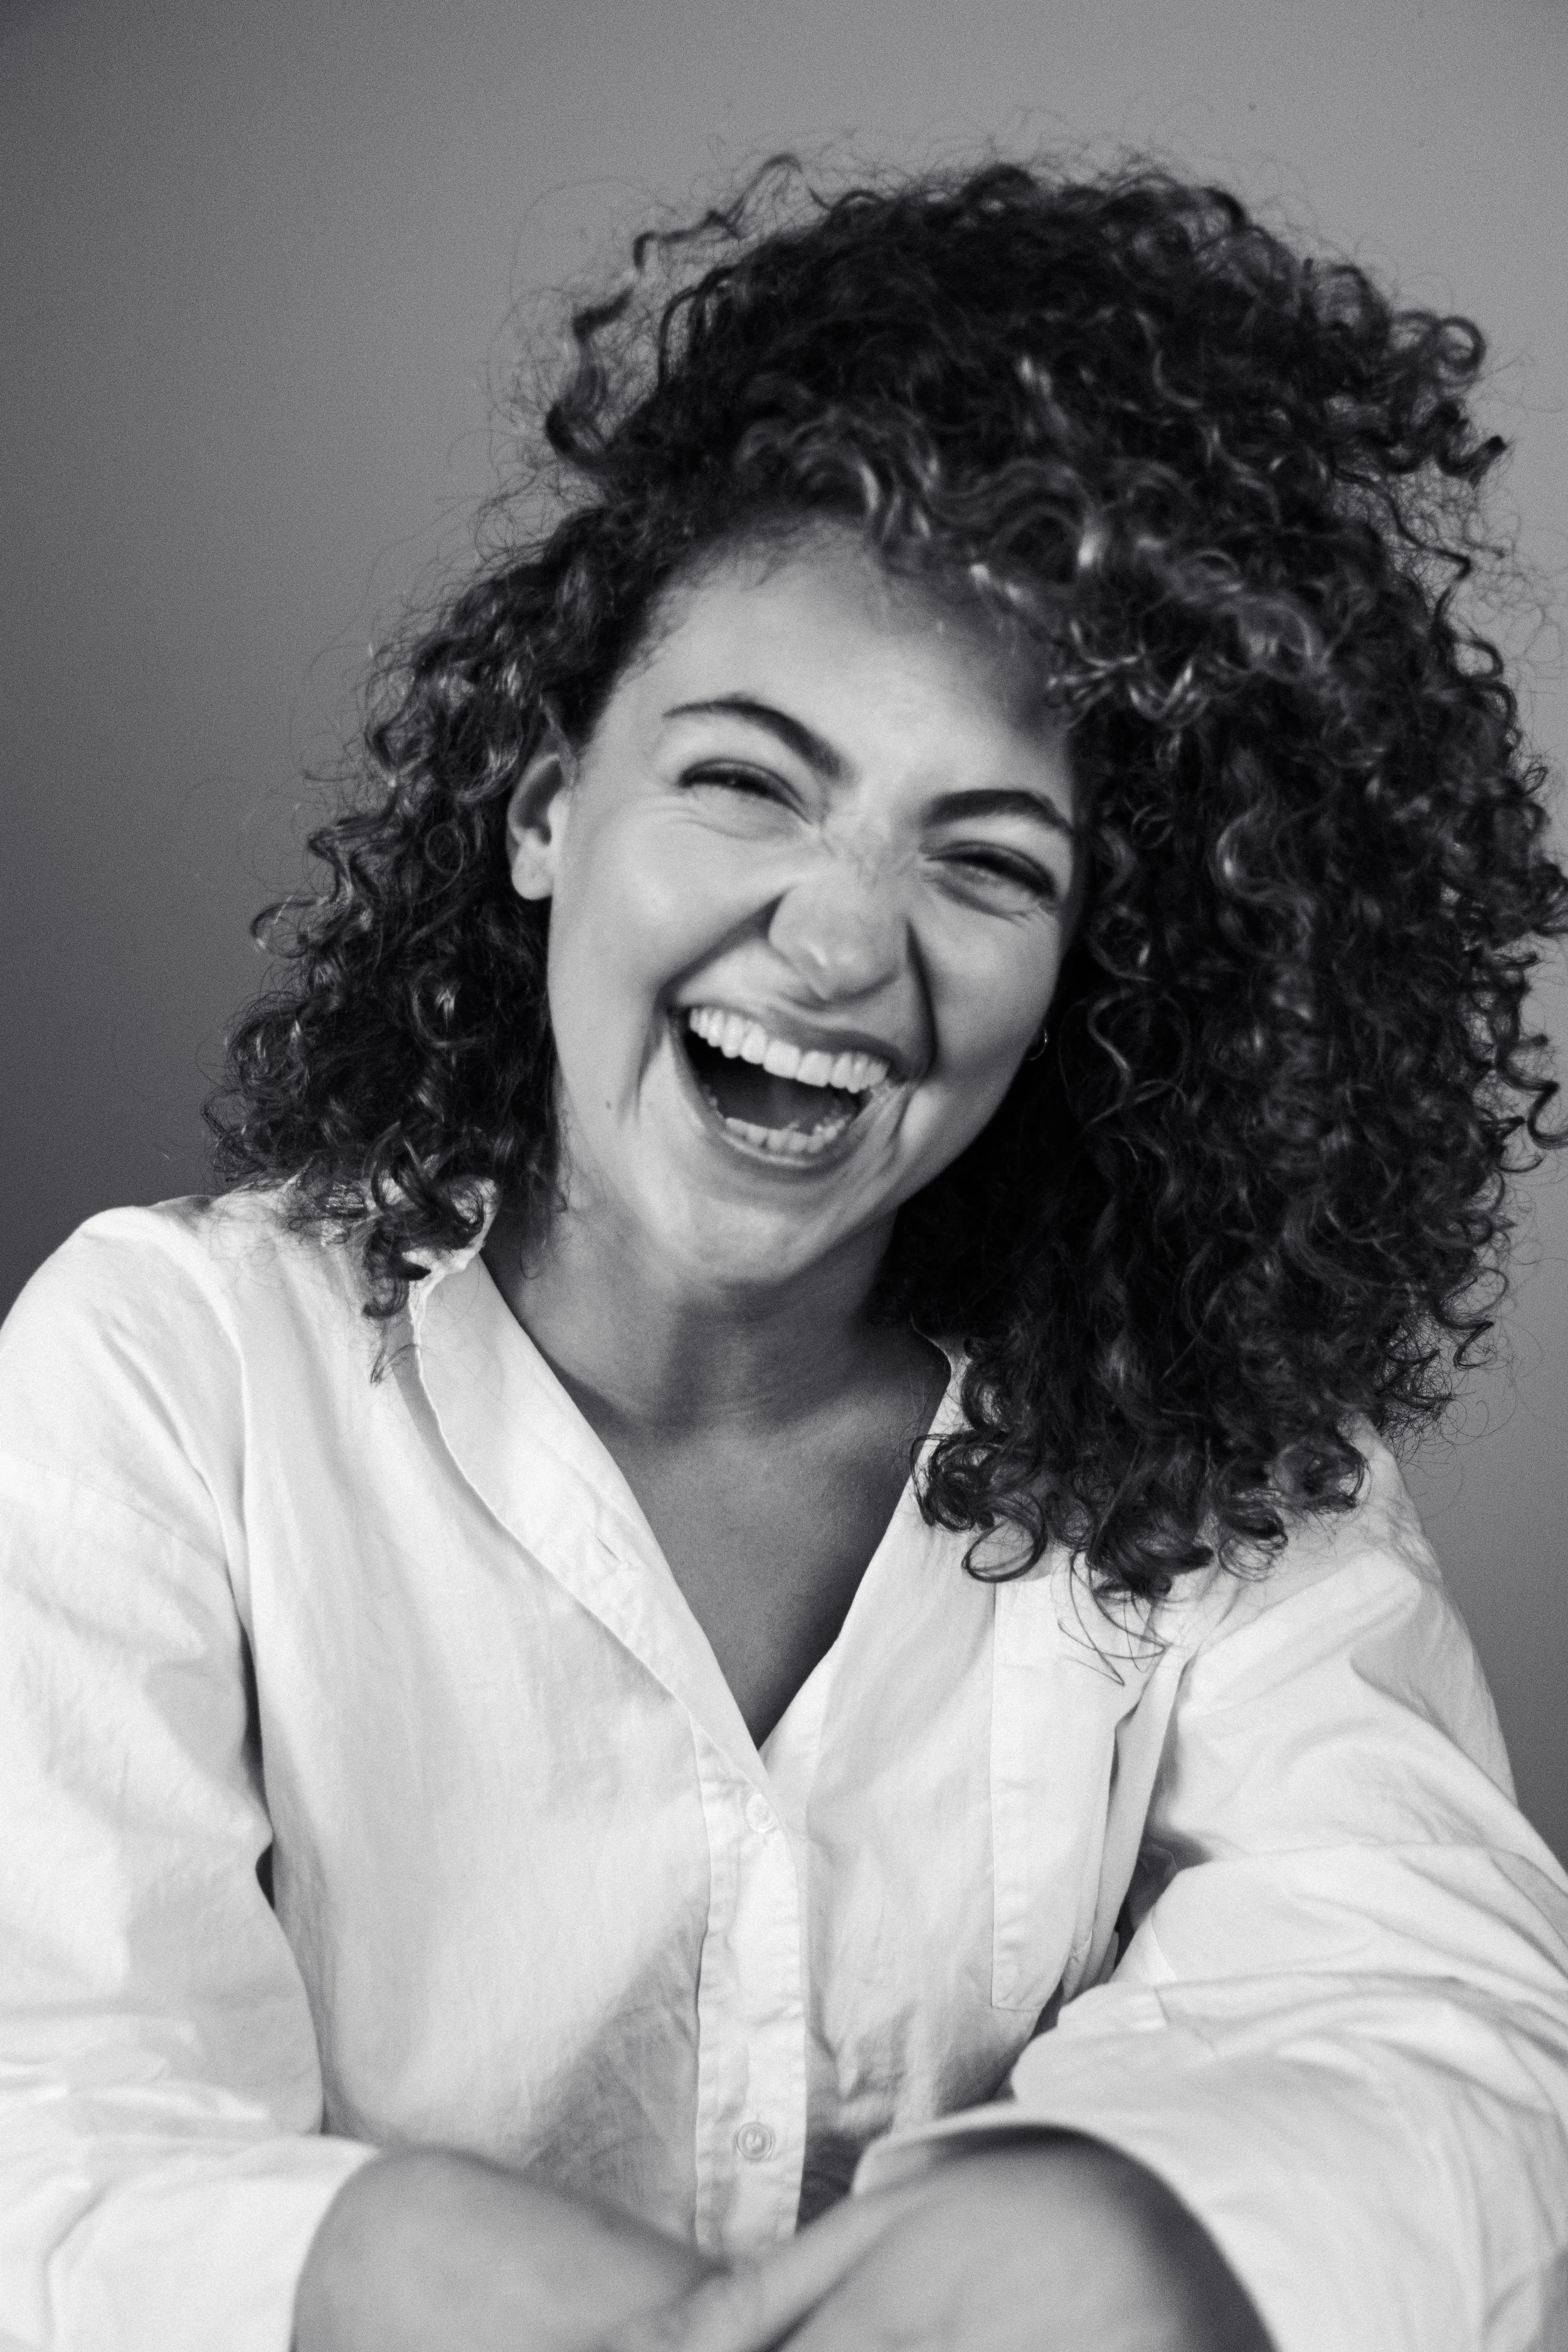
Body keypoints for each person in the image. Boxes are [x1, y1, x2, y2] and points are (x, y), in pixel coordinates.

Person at [1, 154, 1566, 2352]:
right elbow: (47, 2104)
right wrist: (351, 2257)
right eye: (747, 781)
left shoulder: (1222, 1473)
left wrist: (1161, 2226)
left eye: (985, 861)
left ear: (1091, 972)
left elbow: (1440, 2011)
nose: (837, 943)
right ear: (545, 810)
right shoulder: (172, 1371)